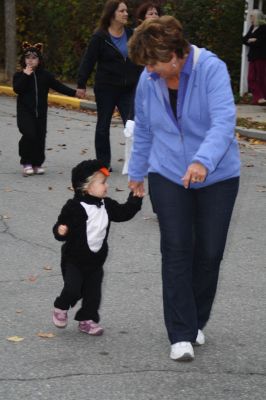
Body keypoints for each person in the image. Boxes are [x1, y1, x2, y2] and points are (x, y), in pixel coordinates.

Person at [127, 16, 240, 361]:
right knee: (176, 248)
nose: (149, 69)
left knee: (209, 252)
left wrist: (203, 161)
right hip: (167, 172)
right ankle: (180, 333)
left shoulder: (211, 69)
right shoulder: (148, 80)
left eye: (154, 61)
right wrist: (136, 171)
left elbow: (224, 121)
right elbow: (143, 128)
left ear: (176, 54)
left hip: (216, 174)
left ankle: (195, 321)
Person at [52, 159, 142, 335]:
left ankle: (87, 319)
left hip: (95, 261)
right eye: (102, 183)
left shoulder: (106, 205)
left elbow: (124, 213)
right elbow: (61, 226)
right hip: (74, 260)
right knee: (73, 289)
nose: (106, 187)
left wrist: (135, 199)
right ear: (86, 187)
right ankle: (61, 305)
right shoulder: (74, 207)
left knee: (93, 294)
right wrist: (60, 231)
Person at [77, 0, 142, 170]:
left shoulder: (131, 33)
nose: (126, 14)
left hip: (128, 88)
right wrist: (81, 84)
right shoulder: (100, 37)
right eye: (122, 11)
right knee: (103, 125)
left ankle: (135, 161)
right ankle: (103, 163)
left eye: (126, 11)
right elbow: (88, 60)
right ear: (112, 14)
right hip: (106, 88)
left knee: (132, 124)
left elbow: (139, 58)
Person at [13, 42, 79, 177]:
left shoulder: (45, 75)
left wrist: (75, 93)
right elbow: (17, 89)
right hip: (25, 112)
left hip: (41, 114)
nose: (31, 60)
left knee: (40, 137)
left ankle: (37, 163)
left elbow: (58, 86)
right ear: (24, 60)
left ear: (39, 60)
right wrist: (26, 74)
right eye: (28, 57)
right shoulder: (19, 75)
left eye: (34, 57)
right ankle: (26, 162)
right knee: (29, 134)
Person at [122, 1, 162, 175]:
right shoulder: (136, 37)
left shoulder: (166, 35)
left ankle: (159, 163)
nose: (153, 16)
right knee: (139, 127)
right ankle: (138, 164)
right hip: (141, 84)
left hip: (161, 84)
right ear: (141, 19)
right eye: (150, 13)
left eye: (156, 13)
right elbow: (133, 63)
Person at [242, 9, 266, 105]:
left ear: (256, 17)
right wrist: (251, 40)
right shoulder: (252, 27)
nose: (250, 18)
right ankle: (259, 97)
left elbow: (262, 42)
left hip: (261, 56)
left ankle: (262, 98)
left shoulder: (264, 28)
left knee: (261, 77)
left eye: (252, 16)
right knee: (251, 78)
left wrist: (254, 41)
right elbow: (244, 39)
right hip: (252, 56)